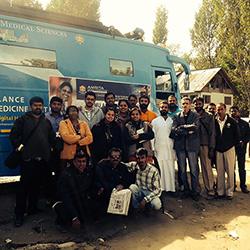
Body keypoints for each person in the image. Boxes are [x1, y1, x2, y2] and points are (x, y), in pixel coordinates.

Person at [10, 96, 55, 227]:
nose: (38, 107)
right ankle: (19, 214)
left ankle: (32, 209)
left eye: (40, 105)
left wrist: (50, 148)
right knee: (23, 188)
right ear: (30, 106)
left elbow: (51, 137)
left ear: (43, 107)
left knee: (36, 186)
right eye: (35, 105)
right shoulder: (23, 120)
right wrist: (18, 146)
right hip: (28, 159)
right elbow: (13, 135)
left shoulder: (46, 121)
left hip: (42, 160)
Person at [53, 152, 96, 232]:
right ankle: (60, 223)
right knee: (64, 212)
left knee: (95, 205)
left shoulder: (88, 172)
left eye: (83, 161)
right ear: (74, 162)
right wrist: (74, 217)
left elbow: (91, 187)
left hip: (80, 200)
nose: (81, 164)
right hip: (65, 201)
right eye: (79, 161)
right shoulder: (65, 175)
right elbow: (65, 197)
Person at [171, 97, 200, 201]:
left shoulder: (195, 115)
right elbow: (174, 129)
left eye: (187, 103)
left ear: (191, 105)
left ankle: (194, 192)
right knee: (182, 170)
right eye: (183, 104)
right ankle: (186, 190)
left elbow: (195, 127)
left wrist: (181, 127)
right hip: (180, 146)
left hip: (192, 146)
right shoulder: (177, 116)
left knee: (193, 170)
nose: (185, 105)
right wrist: (187, 131)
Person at [214, 103, 240, 200]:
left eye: (221, 109)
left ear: (225, 110)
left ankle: (229, 192)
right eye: (218, 110)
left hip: (229, 149)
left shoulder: (232, 122)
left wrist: (233, 145)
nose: (219, 111)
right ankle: (220, 191)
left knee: (230, 171)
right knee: (220, 172)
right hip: (218, 150)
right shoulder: (214, 121)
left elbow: (237, 136)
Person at [193, 97, 216, 200]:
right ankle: (196, 189)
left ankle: (210, 190)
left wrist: (211, 148)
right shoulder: (191, 115)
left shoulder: (209, 117)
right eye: (196, 104)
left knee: (207, 168)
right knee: (194, 169)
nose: (198, 105)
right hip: (193, 145)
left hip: (205, 145)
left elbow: (212, 133)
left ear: (202, 104)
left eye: (199, 104)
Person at [127, 148, 162, 215]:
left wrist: (145, 199)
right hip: (140, 191)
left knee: (157, 205)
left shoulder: (153, 171)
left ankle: (148, 206)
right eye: (138, 158)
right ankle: (137, 208)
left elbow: (158, 190)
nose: (140, 160)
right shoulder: (135, 165)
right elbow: (123, 165)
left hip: (150, 192)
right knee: (132, 187)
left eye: (142, 158)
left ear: (146, 158)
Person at [151, 101, 176, 193]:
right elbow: (152, 137)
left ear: (168, 109)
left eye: (165, 107)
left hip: (170, 149)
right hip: (159, 149)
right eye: (162, 107)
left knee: (170, 169)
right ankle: (161, 189)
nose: (164, 109)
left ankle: (171, 189)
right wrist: (153, 149)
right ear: (159, 109)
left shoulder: (172, 121)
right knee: (160, 169)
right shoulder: (155, 121)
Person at [59, 105, 93, 171]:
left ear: (78, 113)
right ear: (67, 113)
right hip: (69, 156)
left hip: (83, 154)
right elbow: (66, 138)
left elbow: (90, 138)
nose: (73, 113)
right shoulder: (63, 123)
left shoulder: (84, 124)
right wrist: (80, 137)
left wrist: (78, 142)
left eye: (75, 111)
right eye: (71, 111)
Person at [229, 106, 250, 193]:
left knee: (242, 168)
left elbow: (249, 135)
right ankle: (232, 185)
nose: (234, 113)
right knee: (231, 168)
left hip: (241, 148)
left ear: (238, 112)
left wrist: (244, 142)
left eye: (235, 111)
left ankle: (243, 186)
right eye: (232, 111)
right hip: (231, 148)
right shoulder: (228, 122)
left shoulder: (244, 123)